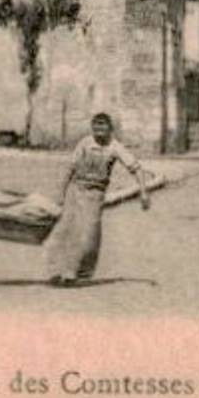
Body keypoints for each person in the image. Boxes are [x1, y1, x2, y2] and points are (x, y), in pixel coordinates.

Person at [44, 113, 151, 287]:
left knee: (89, 234)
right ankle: (56, 272)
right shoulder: (85, 143)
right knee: (65, 230)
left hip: (95, 194)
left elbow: (136, 169)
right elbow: (70, 168)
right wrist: (61, 193)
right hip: (76, 190)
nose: (99, 130)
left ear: (110, 129)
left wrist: (144, 192)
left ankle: (78, 274)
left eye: (103, 126)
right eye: (96, 126)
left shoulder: (116, 147)